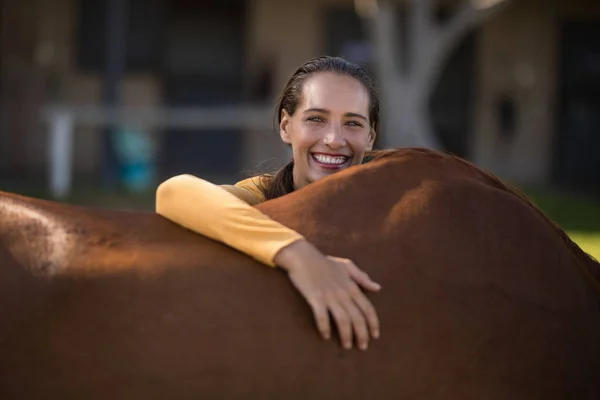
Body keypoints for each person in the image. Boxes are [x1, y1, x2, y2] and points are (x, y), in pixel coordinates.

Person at [156, 56, 382, 351]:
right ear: (286, 127)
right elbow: (174, 192)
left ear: (370, 138)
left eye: (352, 123)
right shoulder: (261, 195)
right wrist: (303, 259)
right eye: (316, 119)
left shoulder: (388, 209)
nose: (334, 139)